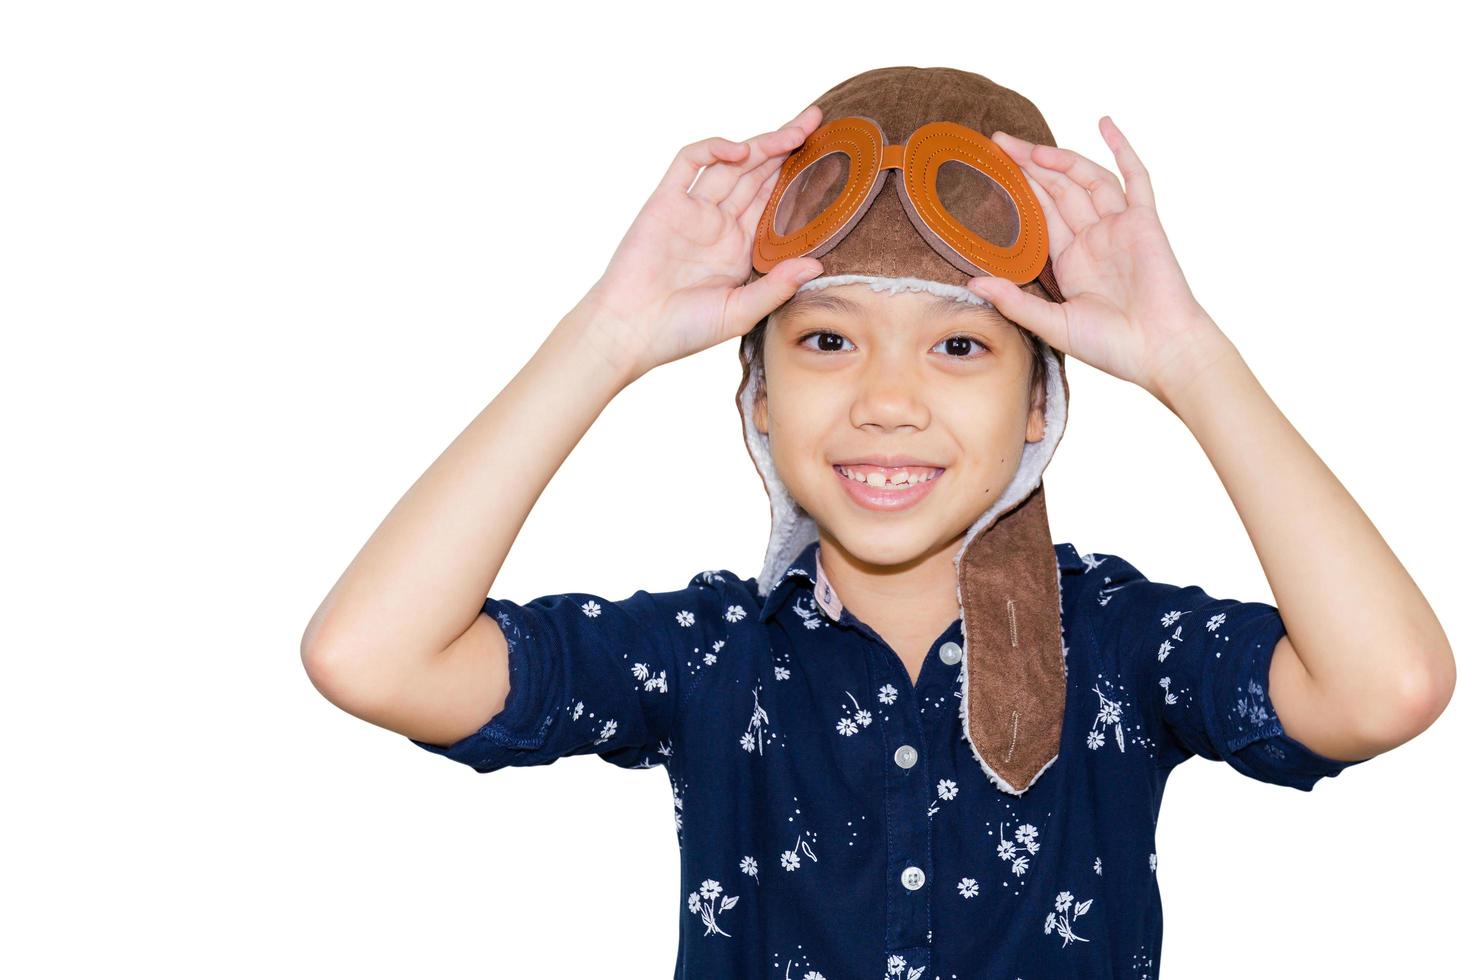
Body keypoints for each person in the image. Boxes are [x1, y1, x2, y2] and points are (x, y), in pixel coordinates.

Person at [301, 66, 1454, 979]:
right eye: (825, 338)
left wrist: (1191, 360)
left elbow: (1386, 684)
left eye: (960, 346)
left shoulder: (1115, 643)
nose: (888, 401)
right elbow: (371, 653)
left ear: (1041, 400)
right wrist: (609, 333)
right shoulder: (712, 656)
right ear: (755, 395)